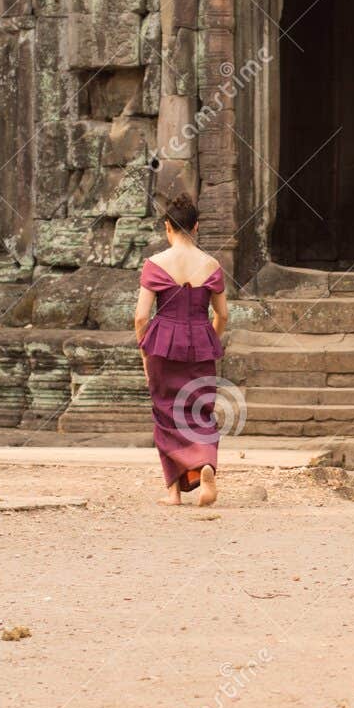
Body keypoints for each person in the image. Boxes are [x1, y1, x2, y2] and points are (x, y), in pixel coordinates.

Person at [133, 192, 228, 507]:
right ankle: (205, 467)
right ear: (196, 226)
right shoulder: (211, 265)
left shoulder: (155, 264)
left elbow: (141, 316)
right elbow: (223, 315)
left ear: (167, 228)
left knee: (165, 414)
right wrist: (206, 339)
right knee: (200, 411)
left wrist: (145, 350)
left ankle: (173, 492)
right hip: (200, 342)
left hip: (162, 344)